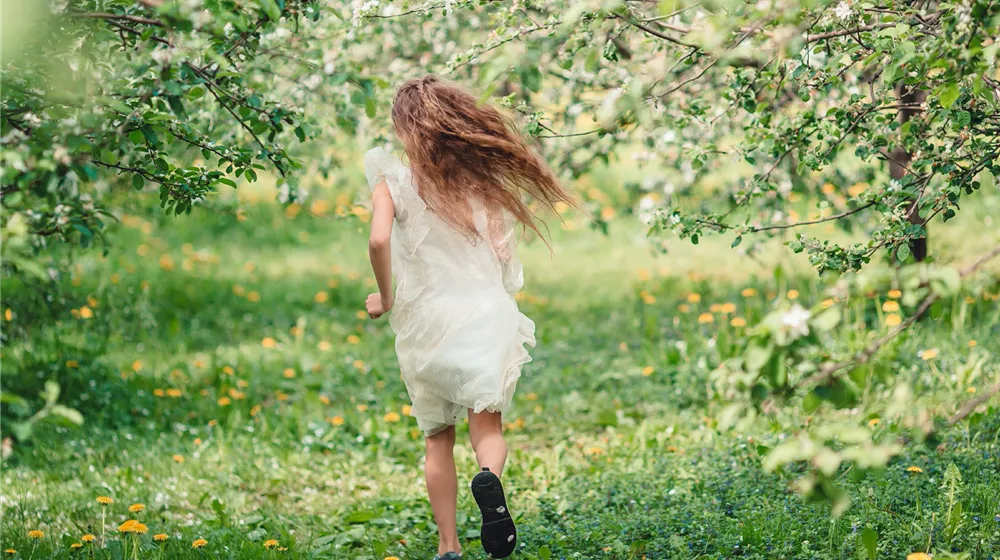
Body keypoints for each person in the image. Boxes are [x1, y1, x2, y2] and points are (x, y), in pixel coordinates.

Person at [363, 74, 574, 559]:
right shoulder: (480, 181)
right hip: (485, 315)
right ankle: (489, 479)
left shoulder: (391, 180)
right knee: (489, 430)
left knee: (437, 438)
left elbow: (377, 241)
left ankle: (448, 547)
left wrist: (385, 297)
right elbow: (502, 256)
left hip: (427, 325)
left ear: (404, 130)